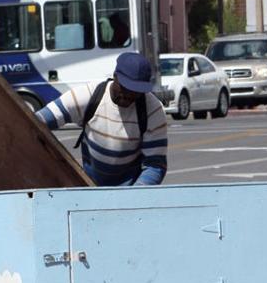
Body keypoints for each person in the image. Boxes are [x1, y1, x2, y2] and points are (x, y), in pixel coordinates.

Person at [34, 51, 168, 186]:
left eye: (137, 91)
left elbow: (155, 165)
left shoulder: (153, 110)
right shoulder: (90, 95)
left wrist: (133, 196)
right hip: (90, 185)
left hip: (130, 189)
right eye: (126, 88)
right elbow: (38, 121)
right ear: (115, 76)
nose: (130, 95)